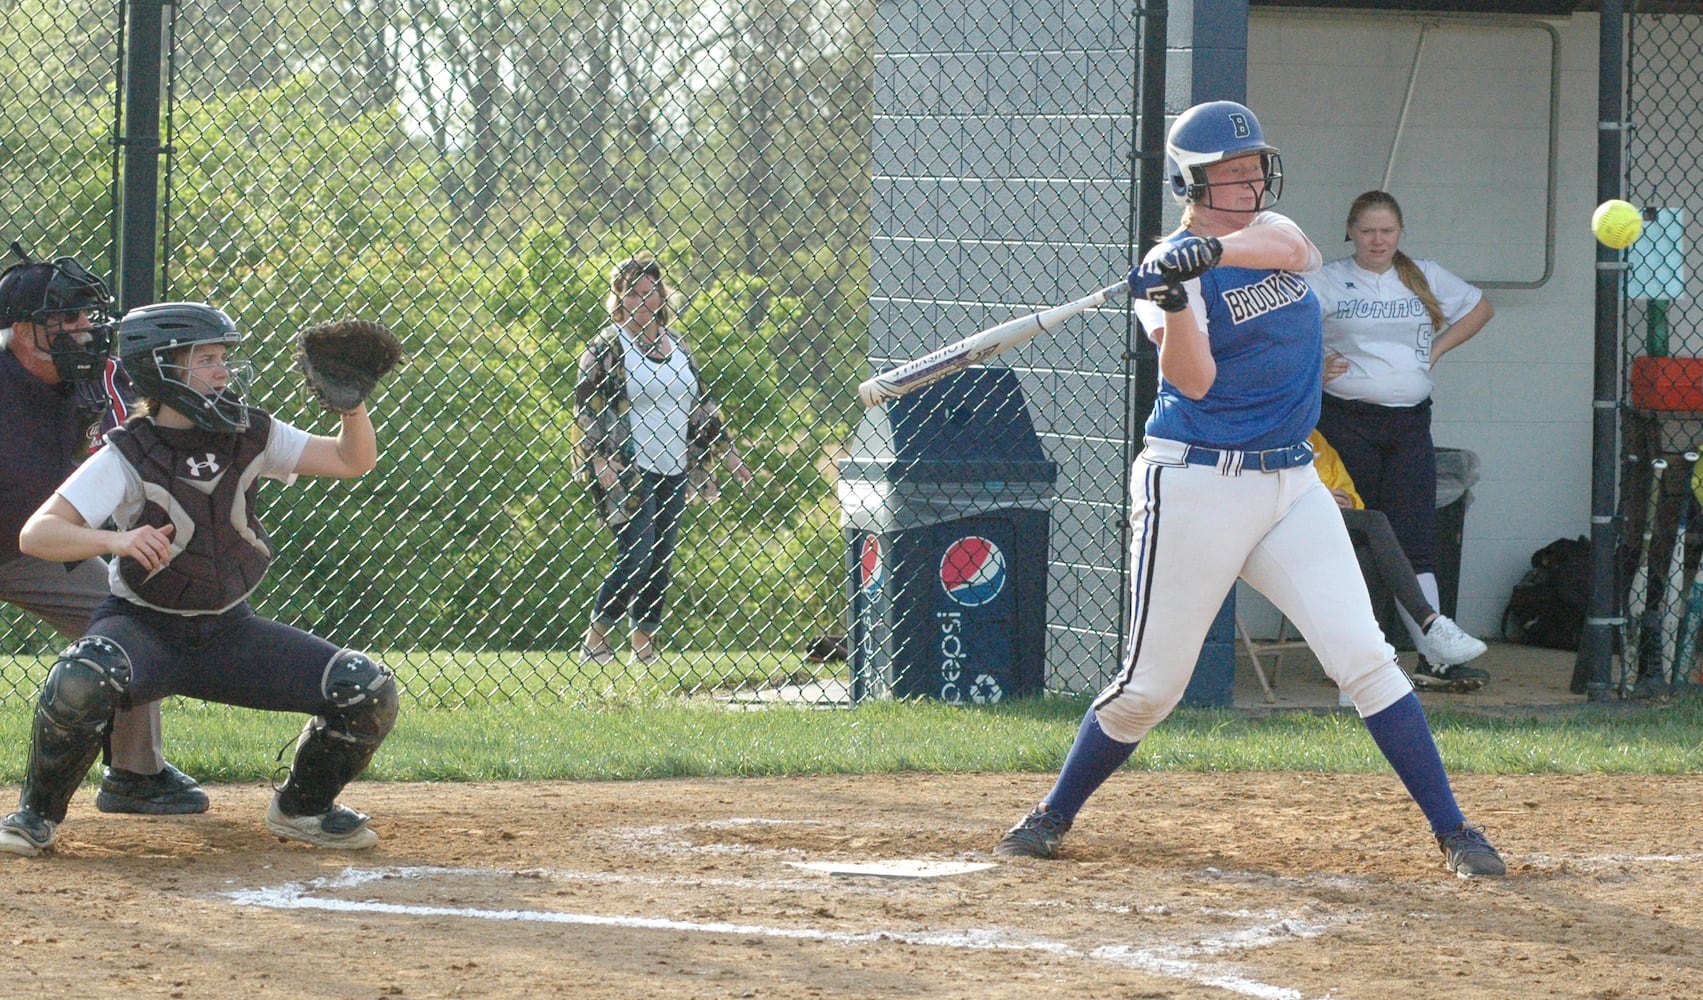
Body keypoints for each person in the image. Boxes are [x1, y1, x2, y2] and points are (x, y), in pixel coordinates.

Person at [993, 101, 1506, 878]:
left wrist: (1203, 255)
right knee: (1148, 689)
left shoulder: (1270, 234)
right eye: (1231, 174)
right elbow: (1192, 379)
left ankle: (1455, 833)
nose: (1251, 180)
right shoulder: (1163, 276)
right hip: (1195, 482)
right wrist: (1170, 293)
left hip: (1289, 483)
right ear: (1191, 182)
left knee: (1364, 657)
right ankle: (1052, 812)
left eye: (1254, 167)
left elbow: (1290, 249)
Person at [0, 302, 399, 857]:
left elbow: (351, 461)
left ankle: (302, 808)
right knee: (82, 679)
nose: (223, 372)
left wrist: (352, 410)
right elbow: (37, 535)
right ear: (161, 368)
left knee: (366, 688)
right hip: (142, 630)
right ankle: (34, 817)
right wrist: (114, 541)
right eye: (206, 360)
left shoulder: (250, 433)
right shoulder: (128, 451)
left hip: (228, 634)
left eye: (223, 358)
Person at [0, 251, 207, 816]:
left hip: (34, 545)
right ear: (21, 332)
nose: (85, 331)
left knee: (131, 622)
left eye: (87, 317)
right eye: (66, 320)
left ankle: (135, 775)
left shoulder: (95, 380)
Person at [1310, 190, 1495, 693]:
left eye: (1387, 231)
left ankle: (1433, 655)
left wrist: (1435, 351)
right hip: (1346, 423)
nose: (1377, 240)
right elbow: (1279, 331)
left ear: (1400, 233)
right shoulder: (1326, 280)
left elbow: (1480, 308)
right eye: (1367, 230)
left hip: (1410, 424)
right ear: (1351, 231)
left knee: (1416, 538)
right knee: (1360, 537)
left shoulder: (1423, 275)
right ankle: (1358, 656)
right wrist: (1311, 365)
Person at [574, 254, 752, 664]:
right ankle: (596, 638)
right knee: (635, 556)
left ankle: (644, 648)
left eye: (649, 290)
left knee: (659, 561)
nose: (642, 299)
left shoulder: (679, 346)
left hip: (674, 468)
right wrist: (597, 460)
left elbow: (701, 404)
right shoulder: (606, 346)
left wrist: (729, 456)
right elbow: (585, 407)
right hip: (628, 471)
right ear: (619, 297)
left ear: (661, 294)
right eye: (632, 291)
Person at [1310, 428, 1486, 669]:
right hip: (1284, 533)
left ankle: (1361, 665)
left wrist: (1347, 501)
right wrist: (1319, 498)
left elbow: (1351, 497)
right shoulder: (1266, 436)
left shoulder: (1313, 437)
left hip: (1329, 529)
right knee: (1375, 523)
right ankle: (1429, 622)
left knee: (1372, 552)